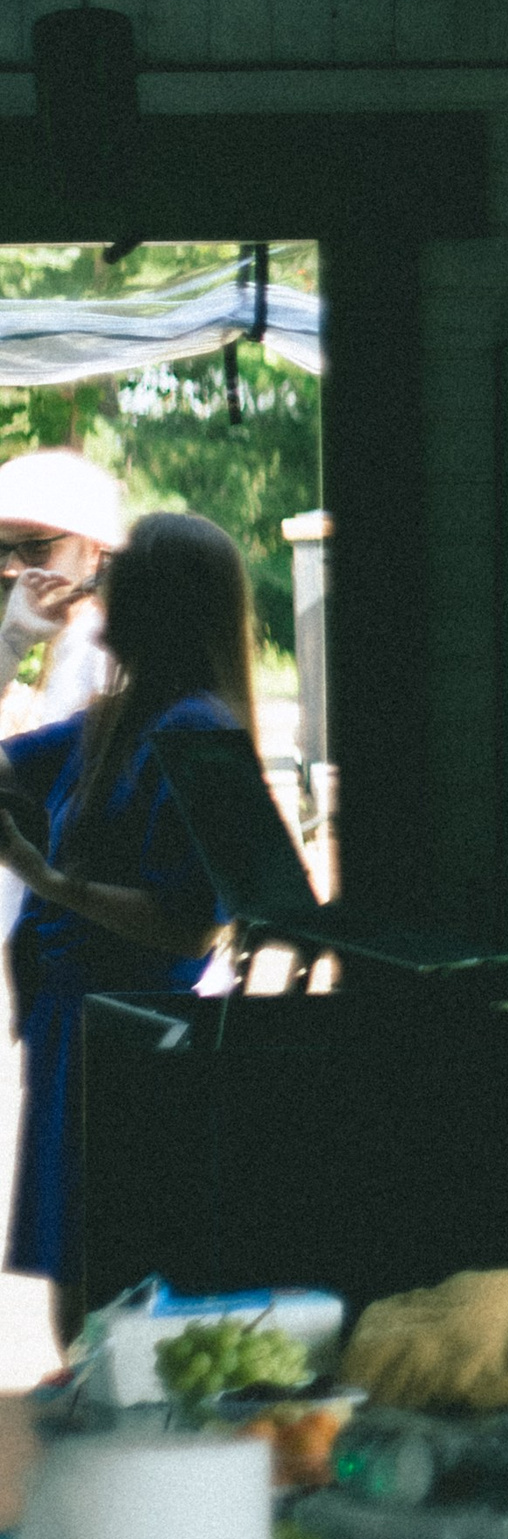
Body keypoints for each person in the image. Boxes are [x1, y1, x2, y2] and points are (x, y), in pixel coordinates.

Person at [0, 514, 246, 1302]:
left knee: (109, 1291)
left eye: (123, 569)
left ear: (163, 602)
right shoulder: (119, 718)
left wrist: (45, 879)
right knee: (80, 1291)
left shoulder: (197, 727)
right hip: (74, 1031)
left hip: (130, 1042)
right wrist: (11, 643)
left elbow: (193, 924)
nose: (100, 577)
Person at [0, 450, 127, 739]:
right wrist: (12, 641)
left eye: (35, 548)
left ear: (95, 553)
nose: (10, 569)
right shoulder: (68, 640)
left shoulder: (101, 656)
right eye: (1, 549)